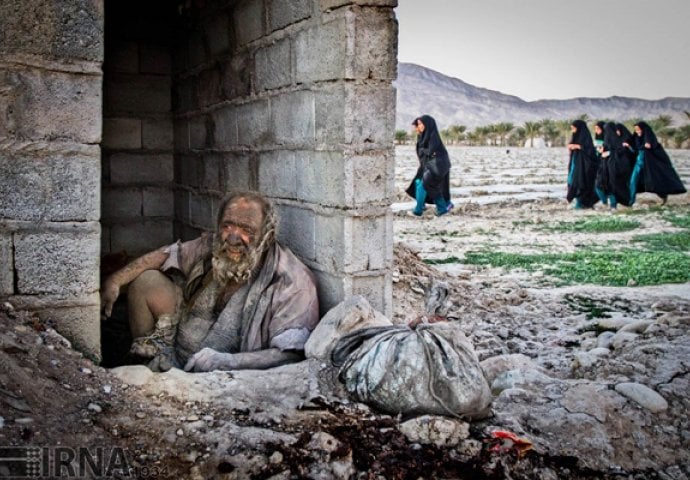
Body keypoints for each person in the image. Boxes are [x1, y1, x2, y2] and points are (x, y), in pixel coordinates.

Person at [101, 191, 320, 372]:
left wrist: (227, 362)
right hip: (178, 346)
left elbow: (291, 356)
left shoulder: (292, 281)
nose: (233, 238)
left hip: (227, 373)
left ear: (267, 235)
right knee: (146, 281)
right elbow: (164, 255)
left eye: (246, 230)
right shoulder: (212, 245)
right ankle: (149, 358)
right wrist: (115, 280)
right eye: (227, 226)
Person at [625, 121, 686, 205]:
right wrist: (629, 146)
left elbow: (649, 146)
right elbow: (636, 149)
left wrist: (642, 146)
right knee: (633, 180)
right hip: (639, 163)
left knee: (653, 182)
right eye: (636, 130)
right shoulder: (636, 138)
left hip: (649, 164)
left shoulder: (648, 137)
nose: (637, 131)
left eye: (638, 129)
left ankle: (663, 195)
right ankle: (631, 201)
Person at [405, 115, 454, 216]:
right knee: (419, 182)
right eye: (417, 124)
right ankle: (423, 206)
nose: (418, 126)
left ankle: (420, 210)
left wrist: (425, 151)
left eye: (420, 124)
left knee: (427, 185)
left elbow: (431, 151)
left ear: (427, 124)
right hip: (429, 165)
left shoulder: (433, 136)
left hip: (438, 166)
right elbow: (424, 153)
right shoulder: (422, 137)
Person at [595, 122, 635, 210]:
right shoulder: (606, 141)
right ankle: (605, 203)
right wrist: (601, 151)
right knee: (599, 185)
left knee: (613, 186)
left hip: (615, 169)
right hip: (605, 168)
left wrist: (609, 153)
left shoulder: (619, 142)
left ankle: (613, 206)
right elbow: (603, 151)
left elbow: (621, 153)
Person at [566, 119, 599, 209]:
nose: (573, 130)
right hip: (575, 164)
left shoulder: (586, 138)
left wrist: (579, 147)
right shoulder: (575, 137)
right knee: (573, 182)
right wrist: (571, 147)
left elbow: (590, 151)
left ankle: (582, 204)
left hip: (584, 165)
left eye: (574, 128)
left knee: (581, 182)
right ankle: (578, 202)